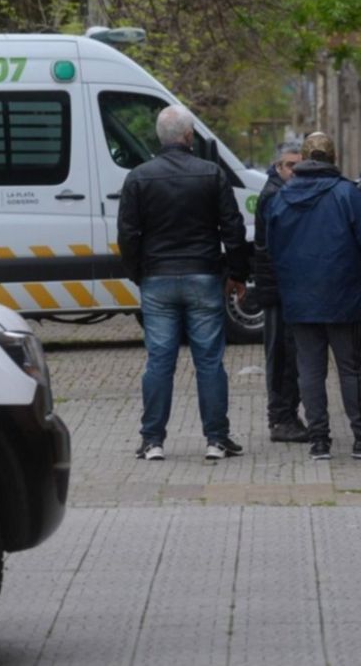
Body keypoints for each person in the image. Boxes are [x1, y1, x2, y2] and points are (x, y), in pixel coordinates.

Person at [118, 105, 250, 462]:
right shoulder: (212, 174)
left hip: (157, 278)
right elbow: (233, 228)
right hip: (204, 276)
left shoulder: (139, 177)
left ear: (159, 138)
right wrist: (237, 273)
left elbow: (128, 234)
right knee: (209, 360)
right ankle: (217, 439)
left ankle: (152, 441)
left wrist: (138, 273)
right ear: (190, 137)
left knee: (159, 360)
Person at [266, 132, 361, 461]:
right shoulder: (345, 193)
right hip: (343, 294)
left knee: (310, 370)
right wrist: (348, 260)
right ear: (333, 156)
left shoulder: (282, 196)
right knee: (351, 368)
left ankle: (319, 441)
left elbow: (273, 245)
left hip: (299, 296)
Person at [253, 142, 308, 443]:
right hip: (278, 288)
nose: (294, 172)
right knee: (281, 355)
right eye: (289, 166)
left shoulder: (283, 192)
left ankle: (286, 415)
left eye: (299, 166)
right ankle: (281, 418)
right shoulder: (276, 195)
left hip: (281, 286)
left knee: (288, 353)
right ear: (278, 167)